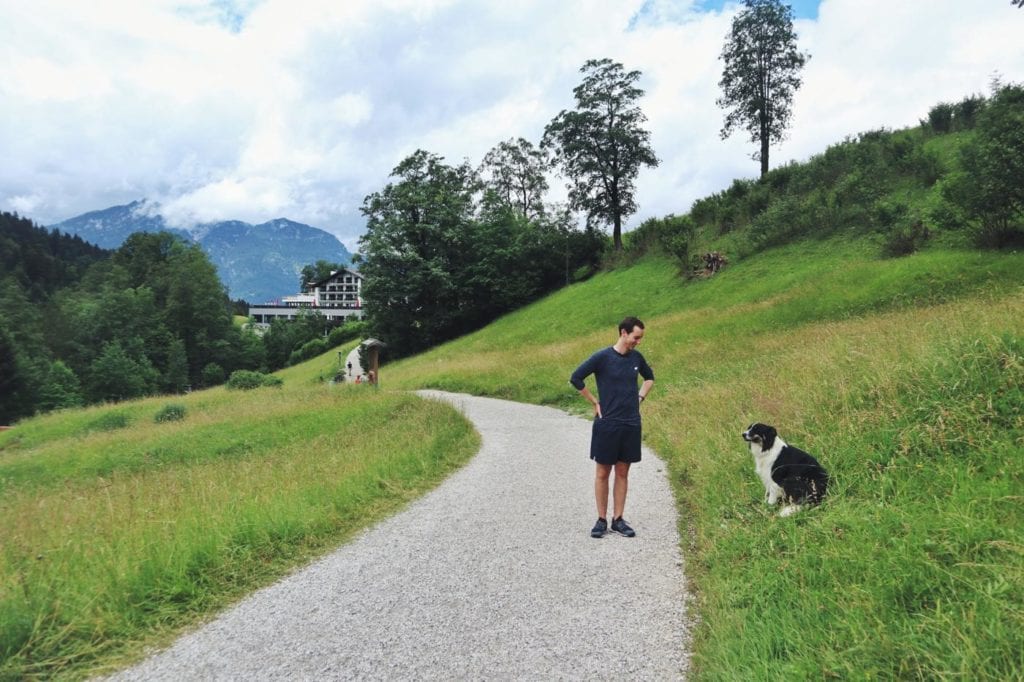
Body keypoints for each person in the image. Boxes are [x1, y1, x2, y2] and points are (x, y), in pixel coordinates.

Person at [569, 316, 655, 538]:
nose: (638, 342)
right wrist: (595, 401)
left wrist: (640, 397)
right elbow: (576, 378)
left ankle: (618, 519)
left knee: (623, 472)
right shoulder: (602, 357)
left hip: (630, 423)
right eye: (636, 337)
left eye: (640, 338)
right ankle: (601, 520)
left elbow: (649, 378)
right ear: (623, 333)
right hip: (607, 425)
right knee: (603, 472)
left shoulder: (637, 358)